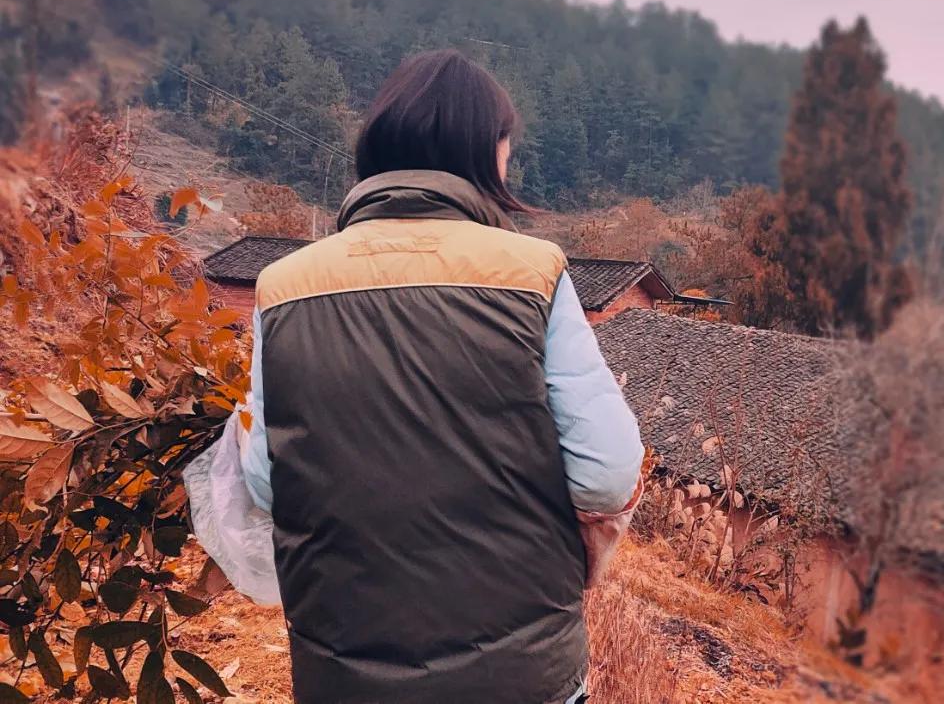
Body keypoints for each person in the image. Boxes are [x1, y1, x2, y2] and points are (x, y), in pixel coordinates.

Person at [230, 49, 644, 703]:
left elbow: (264, 478)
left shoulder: (283, 286)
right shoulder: (532, 273)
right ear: (485, 150)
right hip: (521, 677)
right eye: (506, 145)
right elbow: (607, 470)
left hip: (344, 679)